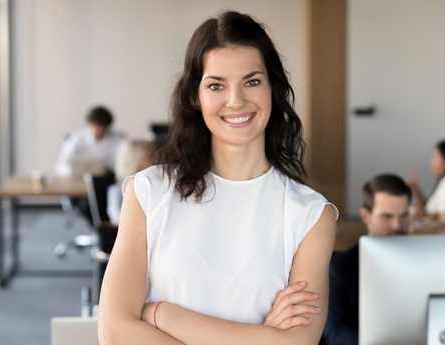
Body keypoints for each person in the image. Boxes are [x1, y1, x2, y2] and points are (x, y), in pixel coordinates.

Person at [98, 11, 338, 345]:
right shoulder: (149, 192)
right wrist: (263, 337)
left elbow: (297, 342)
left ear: (273, 89)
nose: (236, 100)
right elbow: (113, 331)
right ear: (195, 96)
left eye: (252, 81)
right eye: (216, 85)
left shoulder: (311, 215)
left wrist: (163, 316)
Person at [322, 174, 411, 345]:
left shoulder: (424, 264)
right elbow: (333, 333)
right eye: (387, 217)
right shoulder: (340, 270)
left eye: (403, 216)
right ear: (365, 216)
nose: (397, 226)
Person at [407, 139, 445, 223]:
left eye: (435, 157)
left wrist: (418, 212)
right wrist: (417, 191)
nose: (431, 163)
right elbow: (430, 209)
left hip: (443, 234)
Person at [54, 106, 125, 176]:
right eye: (96, 126)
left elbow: (125, 167)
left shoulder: (119, 140)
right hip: (79, 181)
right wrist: (79, 171)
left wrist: (108, 170)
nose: (100, 131)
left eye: (103, 127)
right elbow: (60, 166)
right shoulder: (76, 139)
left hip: (109, 181)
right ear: (90, 124)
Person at [106, 140, 154, 224]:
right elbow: (116, 218)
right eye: (148, 156)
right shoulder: (116, 190)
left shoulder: (152, 185)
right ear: (134, 159)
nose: (152, 159)